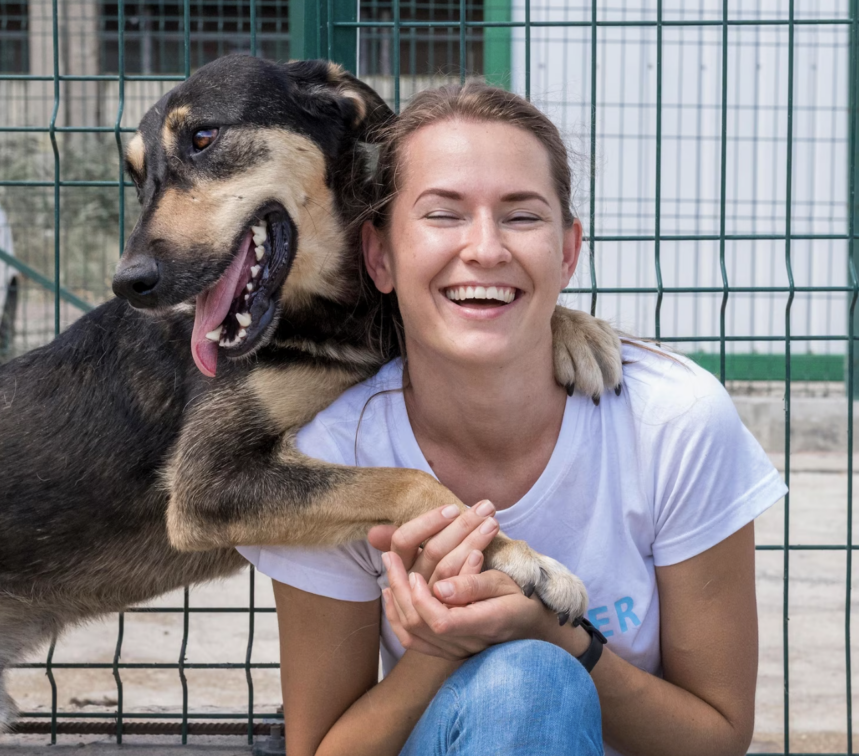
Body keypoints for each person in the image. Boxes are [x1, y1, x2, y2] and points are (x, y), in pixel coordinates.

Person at [239, 82, 786, 756]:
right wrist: (440, 651)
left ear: (567, 252)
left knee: (534, 678)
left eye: (522, 216)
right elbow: (320, 748)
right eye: (443, 214)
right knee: (521, 685)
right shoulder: (339, 453)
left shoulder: (675, 420)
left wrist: (560, 635)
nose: (486, 248)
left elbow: (718, 736)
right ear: (380, 256)